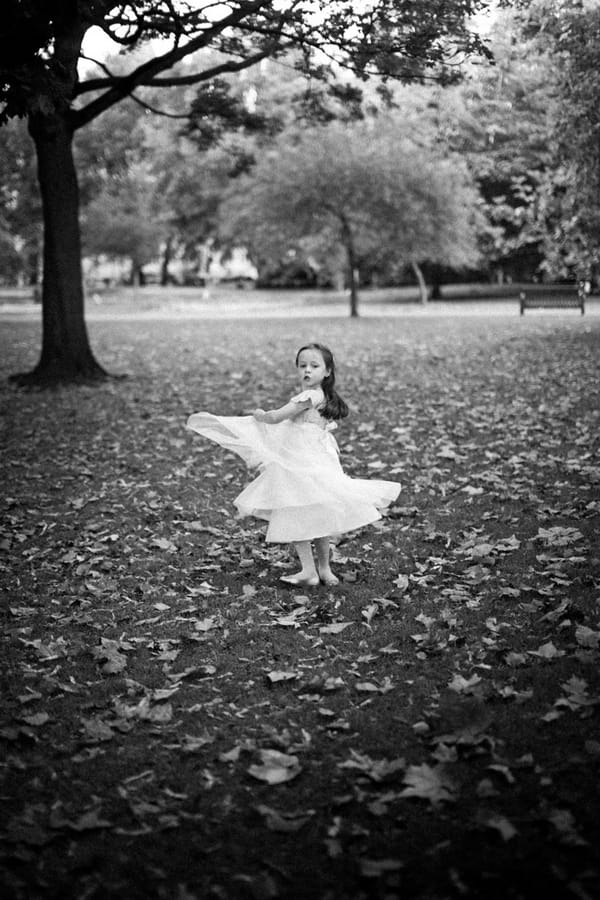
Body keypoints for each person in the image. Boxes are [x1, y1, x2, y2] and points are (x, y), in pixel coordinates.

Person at [186, 343, 400, 587]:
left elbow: (278, 416)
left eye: (314, 366)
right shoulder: (324, 396)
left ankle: (309, 571)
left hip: (299, 463)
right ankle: (324, 569)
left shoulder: (308, 396)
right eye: (302, 366)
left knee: (295, 510)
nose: (307, 370)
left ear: (327, 371)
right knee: (319, 514)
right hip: (316, 461)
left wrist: (260, 416)